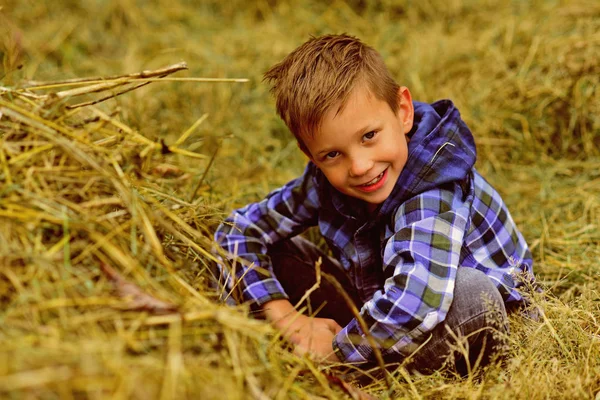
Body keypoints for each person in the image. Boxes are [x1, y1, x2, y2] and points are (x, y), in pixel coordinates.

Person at [213, 34, 536, 374]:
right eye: (333, 154)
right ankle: (333, 354)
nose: (360, 166)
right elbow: (238, 230)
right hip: (380, 307)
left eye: (369, 136)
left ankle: (363, 374)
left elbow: (419, 300)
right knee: (279, 248)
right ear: (312, 156)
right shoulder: (325, 181)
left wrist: (336, 351)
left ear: (403, 112)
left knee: (471, 292)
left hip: (455, 326)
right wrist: (287, 319)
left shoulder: (433, 188)